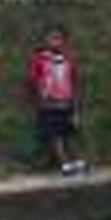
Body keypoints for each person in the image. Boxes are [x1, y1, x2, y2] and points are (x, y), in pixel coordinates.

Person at [27, 24, 88, 176]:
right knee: (55, 135)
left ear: (64, 41)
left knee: (70, 133)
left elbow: (74, 79)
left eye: (58, 39)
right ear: (46, 40)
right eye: (52, 38)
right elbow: (33, 79)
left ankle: (75, 161)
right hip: (49, 102)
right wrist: (40, 94)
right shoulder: (39, 58)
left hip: (66, 101)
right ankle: (65, 164)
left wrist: (75, 101)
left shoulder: (68, 58)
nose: (55, 42)